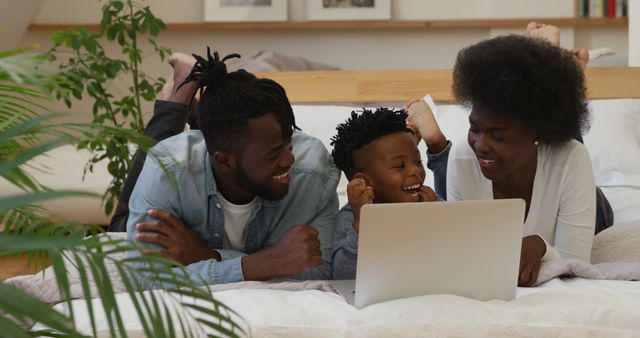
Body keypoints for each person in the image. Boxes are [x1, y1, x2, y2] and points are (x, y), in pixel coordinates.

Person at [125, 48, 340, 286]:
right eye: (272, 155)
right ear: (224, 161)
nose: (289, 160)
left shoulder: (313, 172)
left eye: (288, 144)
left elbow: (318, 272)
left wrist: (209, 256)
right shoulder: (167, 171)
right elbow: (143, 281)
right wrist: (266, 262)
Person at [407, 34, 599, 287]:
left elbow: (576, 262)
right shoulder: (464, 155)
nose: (481, 145)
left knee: (575, 158)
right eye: (474, 128)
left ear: (536, 133)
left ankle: (556, 66)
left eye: (498, 136)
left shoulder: (572, 160)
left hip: (586, 198)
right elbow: (467, 252)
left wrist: (541, 246)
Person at [330, 108, 438, 279]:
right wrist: (362, 224)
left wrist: (429, 217)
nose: (415, 171)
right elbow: (343, 277)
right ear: (364, 181)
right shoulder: (352, 217)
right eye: (400, 166)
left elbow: (455, 258)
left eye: (418, 161)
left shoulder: (430, 203)